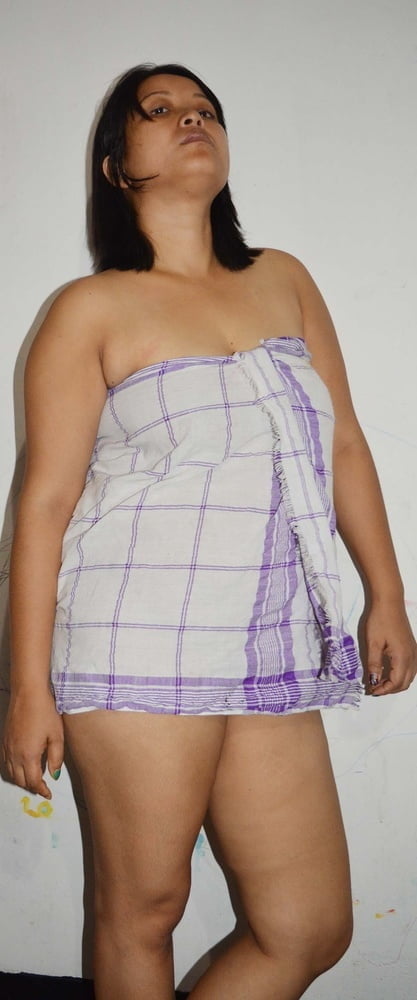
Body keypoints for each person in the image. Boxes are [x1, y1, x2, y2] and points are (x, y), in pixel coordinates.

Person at [3, 61, 416, 1000]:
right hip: (135, 638)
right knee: (143, 909)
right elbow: (43, 507)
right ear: (117, 166)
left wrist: (385, 593)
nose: (190, 120)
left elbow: (343, 444)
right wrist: (26, 687)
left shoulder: (283, 279)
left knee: (307, 927)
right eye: (159, 111)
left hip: (268, 637)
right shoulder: (89, 309)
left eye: (204, 110)